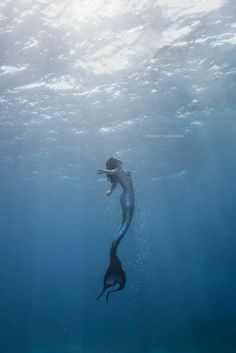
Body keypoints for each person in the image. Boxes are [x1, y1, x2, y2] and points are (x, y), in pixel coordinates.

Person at [96, 157, 135, 301]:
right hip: (128, 199)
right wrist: (105, 173)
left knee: (123, 228)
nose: (120, 161)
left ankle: (114, 264)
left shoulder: (119, 170)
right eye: (118, 160)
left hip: (127, 198)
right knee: (124, 227)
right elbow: (114, 173)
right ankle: (115, 267)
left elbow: (115, 177)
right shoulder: (118, 170)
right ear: (116, 163)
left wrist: (110, 192)